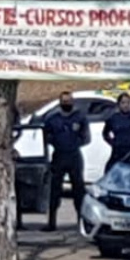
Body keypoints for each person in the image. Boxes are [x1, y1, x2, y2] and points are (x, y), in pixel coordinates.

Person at [42, 91, 90, 230]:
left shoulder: (80, 118)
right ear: (60, 102)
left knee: (78, 190)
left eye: (69, 101)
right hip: (59, 156)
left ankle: (80, 223)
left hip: (74, 156)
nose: (66, 104)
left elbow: (86, 137)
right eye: (64, 101)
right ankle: (51, 223)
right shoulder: (53, 119)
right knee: (54, 190)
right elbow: (46, 136)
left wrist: (74, 143)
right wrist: (58, 143)